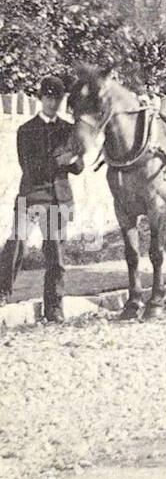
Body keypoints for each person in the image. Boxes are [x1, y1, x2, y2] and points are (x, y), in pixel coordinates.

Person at [0, 75, 83, 322]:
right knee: (17, 243)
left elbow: (79, 167)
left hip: (59, 198)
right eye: (48, 97)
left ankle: (54, 307)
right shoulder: (26, 130)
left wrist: (74, 161)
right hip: (32, 194)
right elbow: (29, 166)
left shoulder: (69, 129)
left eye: (57, 97)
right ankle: (2, 291)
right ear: (40, 98)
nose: (52, 102)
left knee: (55, 253)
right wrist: (60, 161)